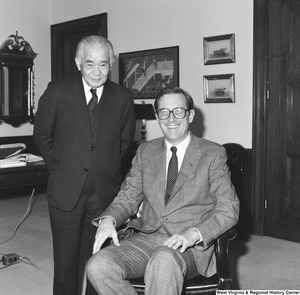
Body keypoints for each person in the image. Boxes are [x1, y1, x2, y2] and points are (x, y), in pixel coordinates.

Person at [86, 86, 240, 295]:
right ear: (157, 117)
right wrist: (109, 219)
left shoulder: (212, 154)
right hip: (147, 238)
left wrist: (193, 235)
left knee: (163, 259)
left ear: (190, 115)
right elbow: (128, 197)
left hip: (189, 247)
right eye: (164, 113)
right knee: (97, 265)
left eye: (178, 111)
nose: (171, 119)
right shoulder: (145, 151)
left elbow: (228, 209)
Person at [33, 35, 136, 295]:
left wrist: (108, 168)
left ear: (111, 63)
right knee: (66, 266)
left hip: (105, 194)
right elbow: (42, 136)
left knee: (99, 263)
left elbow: (124, 144)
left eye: (103, 64)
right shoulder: (57, 91)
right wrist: (58, 166)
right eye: (90, 64)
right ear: (78, 62)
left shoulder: (123, 97)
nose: (97, 71)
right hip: (65, 190)